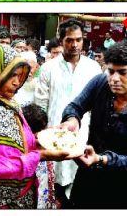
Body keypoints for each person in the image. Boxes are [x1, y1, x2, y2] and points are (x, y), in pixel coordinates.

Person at [0, 45, 72, 208]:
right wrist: (40, 156)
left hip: (17, 195)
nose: (17, 82)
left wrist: (48, 139)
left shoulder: (7, 101)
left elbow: (20, 138)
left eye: (19, 76)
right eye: (10, 76)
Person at [60, 40, 127, 208]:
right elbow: (75, 106)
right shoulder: (100, 82)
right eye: (111, 71)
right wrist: (72, 120)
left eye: (123, 72)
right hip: (88, 178)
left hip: (124, 189)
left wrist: (100, 159)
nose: (114, 79)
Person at [33, 19, 102, 206]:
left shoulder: (93, 68)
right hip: (54, 133)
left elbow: (98, 105)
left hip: (84, 133)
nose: (74, 44)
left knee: (80, 179)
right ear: (61, 40)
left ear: (83, 40)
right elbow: (40, 104)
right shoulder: (48, 68)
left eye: (78, 40)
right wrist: (42, 133)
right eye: (69, 40)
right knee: (54, 181)